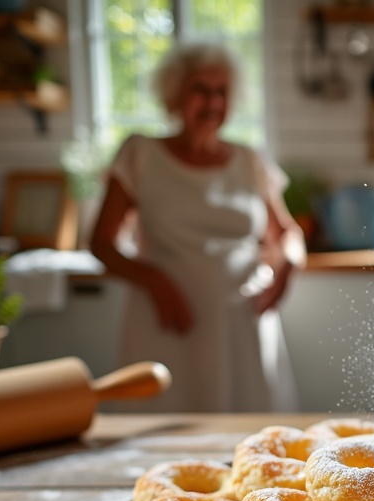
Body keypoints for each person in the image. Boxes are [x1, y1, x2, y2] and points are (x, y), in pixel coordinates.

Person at [90, 40, 305, 412]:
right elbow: (100, 242)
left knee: (252, 444)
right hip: (166, 326)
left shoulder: (249, 160)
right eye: (200, 91)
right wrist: (154, 281)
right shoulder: (139, 154)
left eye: (221, 92)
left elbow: (287, 234)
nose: (212, 103)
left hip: (243, 327)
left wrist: (287, 266)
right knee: (161, 440)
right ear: (174, 94)